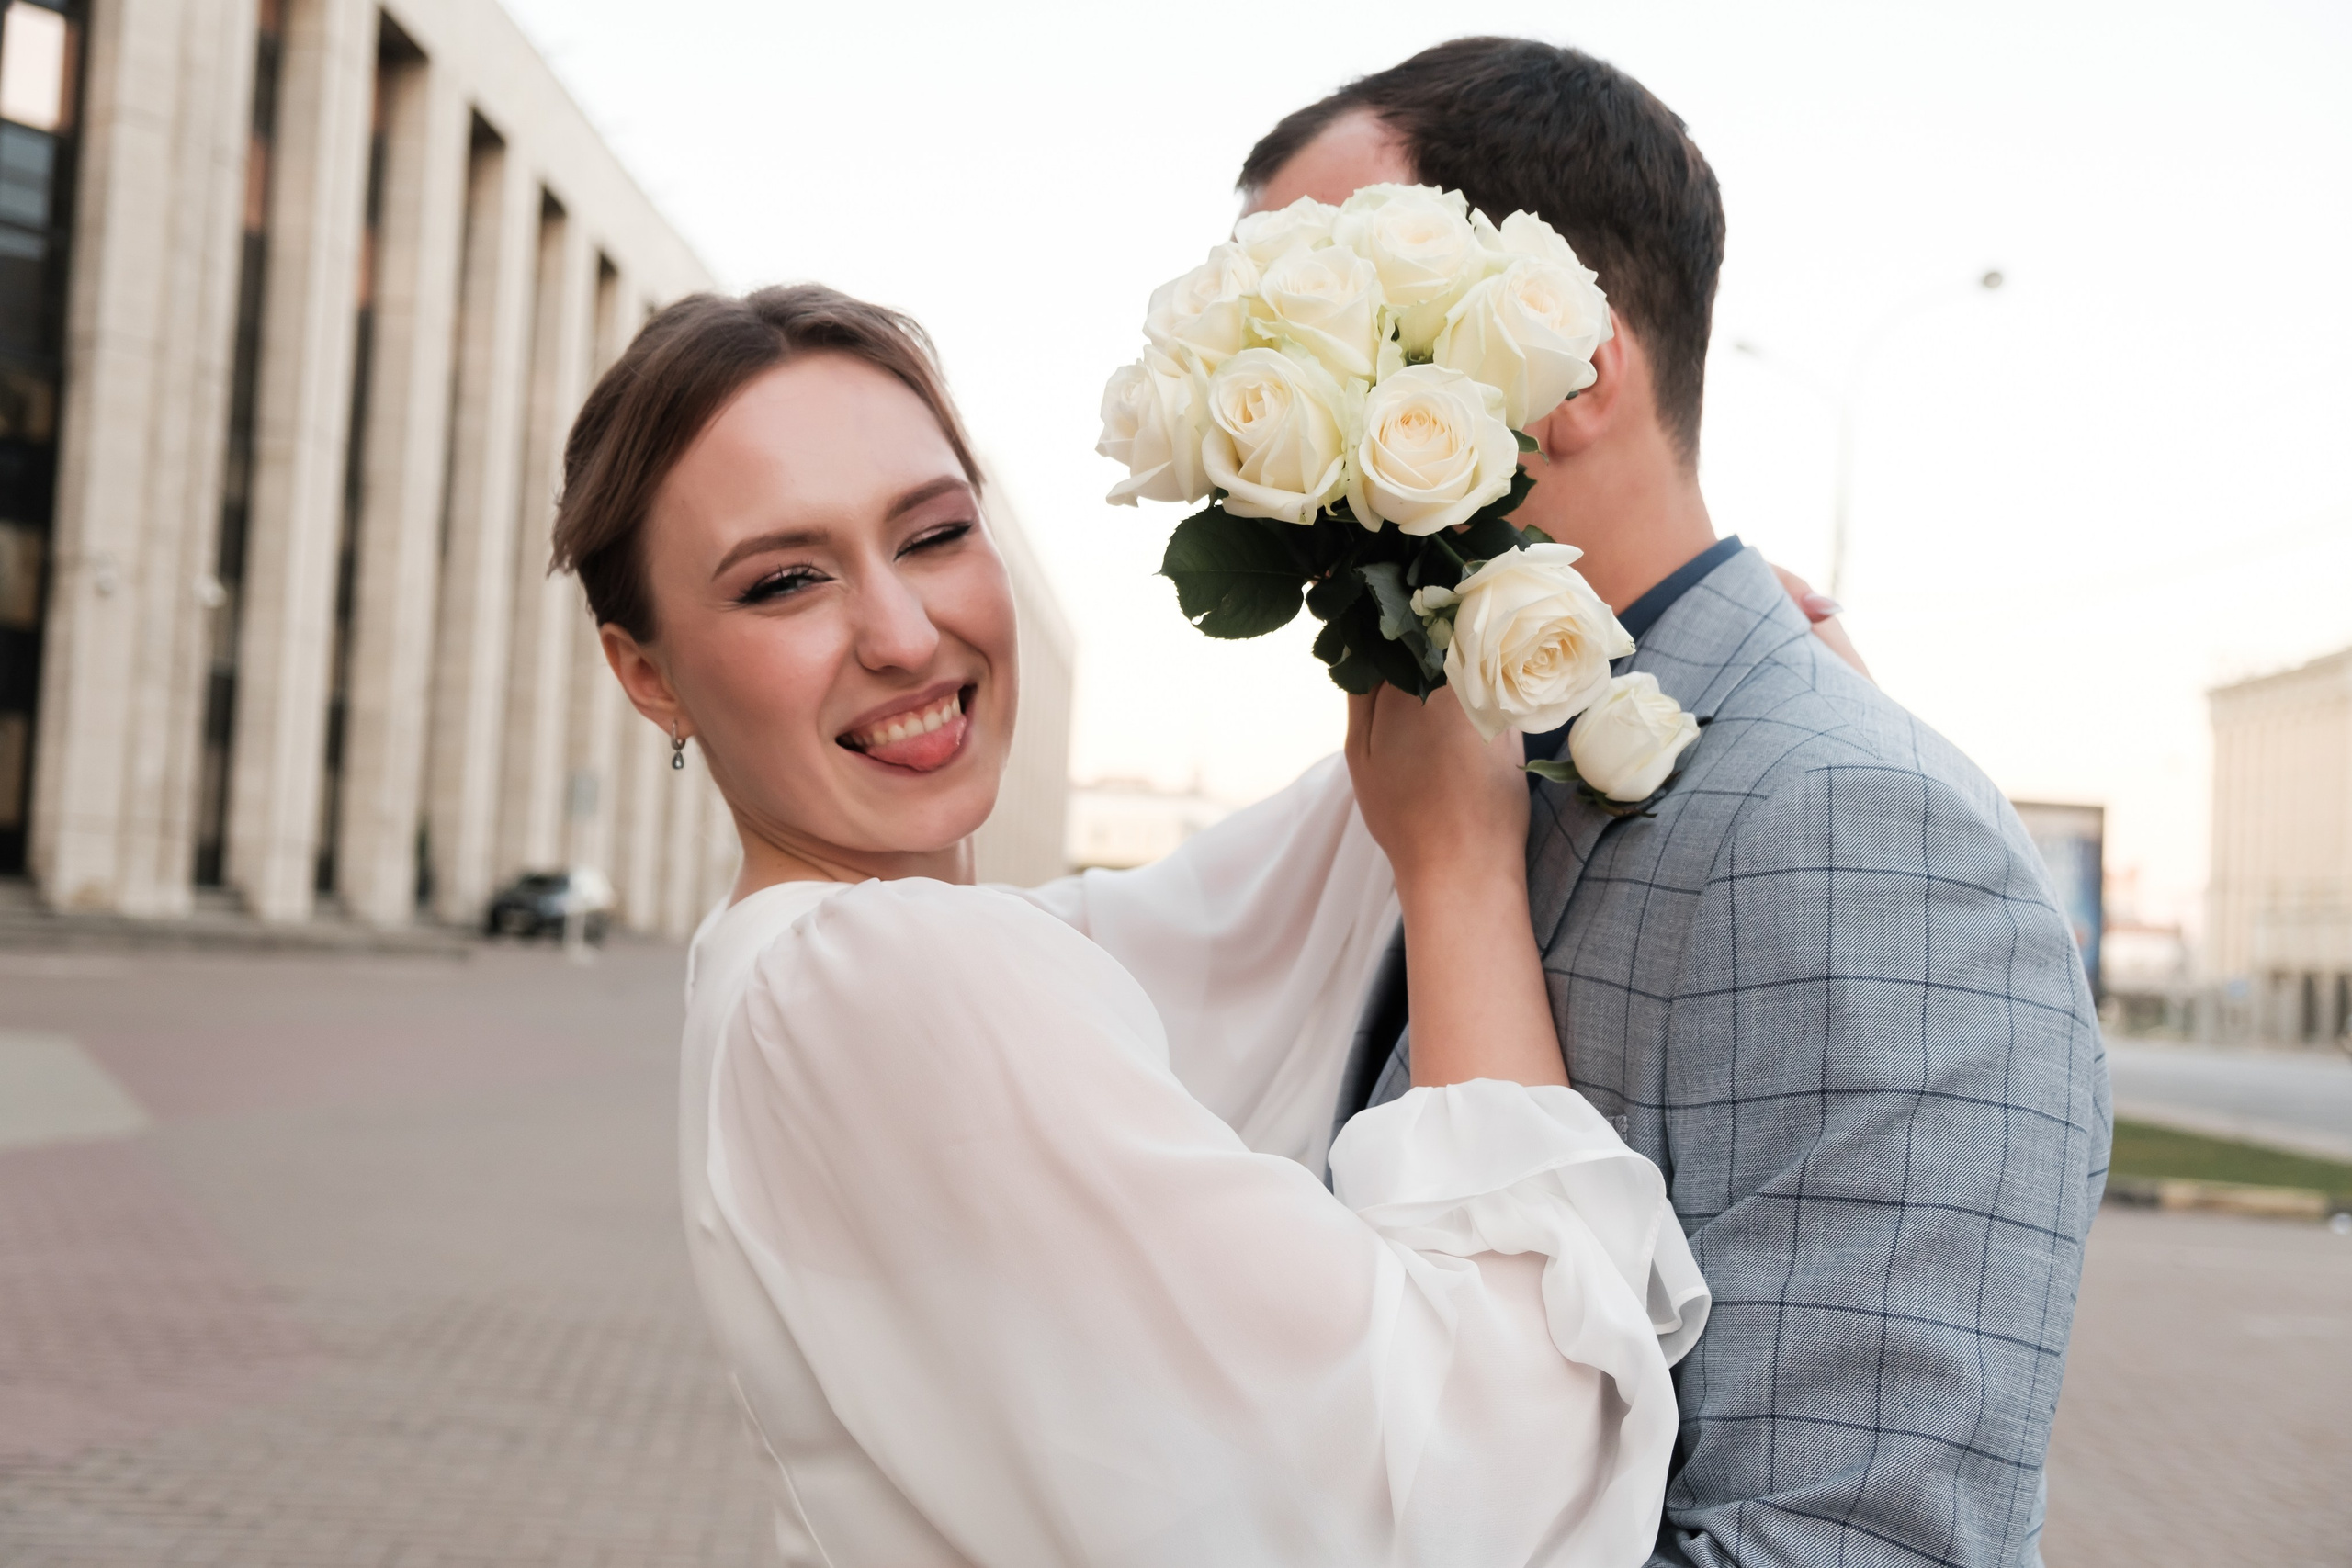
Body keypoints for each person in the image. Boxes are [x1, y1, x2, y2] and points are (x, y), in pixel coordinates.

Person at [552, 283, 1713, 1567]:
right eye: (784, 582)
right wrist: (1465, 885)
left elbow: (1230, 912)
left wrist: (1630, 634)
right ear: (647, 673)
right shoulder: (888, 978)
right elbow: (1473, 1488)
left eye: (934, 536)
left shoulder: (802, 961)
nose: (901, 633)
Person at [1241, 39, 2111, 1568]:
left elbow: (1854, 1545)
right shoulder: (1446, 763)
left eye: (1324, 334)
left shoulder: (1861, 841)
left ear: (1573, 371)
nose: (1265, 444)